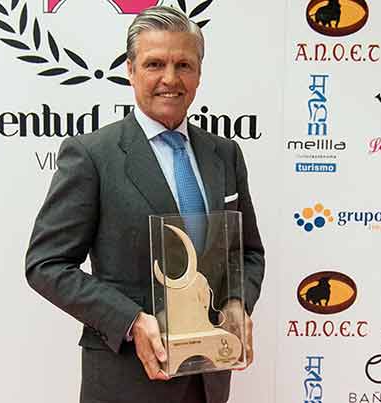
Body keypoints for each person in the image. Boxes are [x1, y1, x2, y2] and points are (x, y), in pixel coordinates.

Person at [25, 6, 265, 403]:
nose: (170, 79)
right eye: (155, 64)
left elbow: (248, 252)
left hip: (209, 382)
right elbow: (46, 264)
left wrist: (238, 301)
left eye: (183, 65)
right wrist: (131, 320)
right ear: (131, 70)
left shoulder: (225, 154)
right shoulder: (92, 155)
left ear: (199, 74)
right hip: (127, 381)